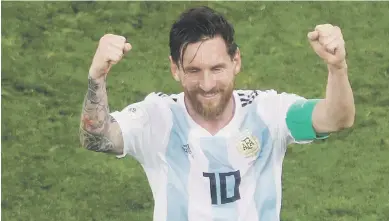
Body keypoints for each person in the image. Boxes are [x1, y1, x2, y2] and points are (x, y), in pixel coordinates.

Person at [79, 6, 355, 221]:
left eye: (217, 68)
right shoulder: (156, 118)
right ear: (175, 69)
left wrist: (338, 67)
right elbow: (96, 138)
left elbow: (336, 118)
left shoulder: (269, 113)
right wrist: (97, 77)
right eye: (194, 71)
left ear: (236, 61)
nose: (208, 84)